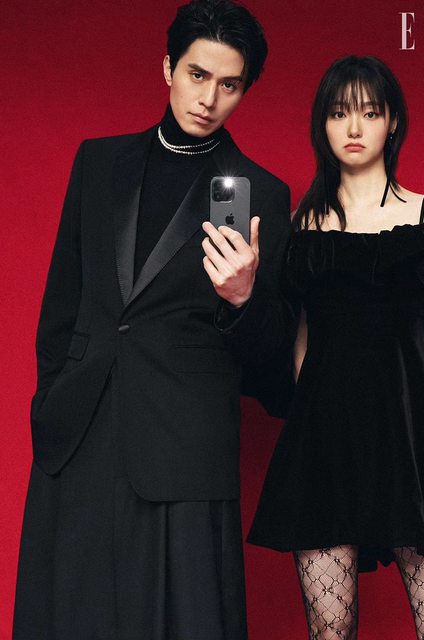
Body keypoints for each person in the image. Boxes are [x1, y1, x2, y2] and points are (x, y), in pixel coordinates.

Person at [13, 1, 292, 638]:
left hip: (184, 447)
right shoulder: (97, 163)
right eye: (197, 75)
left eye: (229, 85)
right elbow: (62, 304)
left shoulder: (259, 193)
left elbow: (276, 368)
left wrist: (244, 299)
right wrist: (51, 400)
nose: (209, 99)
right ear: (168, 68)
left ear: (244, 90)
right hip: (80, 429)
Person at [248, 55, 424, 639]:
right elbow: (301, 342)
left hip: (414, 447)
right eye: (339, 113)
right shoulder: (301, 226)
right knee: (331, 631)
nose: (354, 127)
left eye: (370, 113)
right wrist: (317, 421)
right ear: (321, 123)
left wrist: (416, 430)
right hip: (323, 448)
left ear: (393, 122)